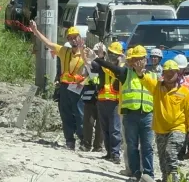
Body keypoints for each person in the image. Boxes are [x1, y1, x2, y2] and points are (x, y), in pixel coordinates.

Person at [95, 45, 155, 181]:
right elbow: (109, 67)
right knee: (132, 146)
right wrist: (99, 58)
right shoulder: (125, 74)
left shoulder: (152, 75)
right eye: (135, 59)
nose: (139, 62)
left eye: (141, 59)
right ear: (131, 61)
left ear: (146, 60)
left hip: (147, 115)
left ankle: (149, 175)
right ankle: (135, 173)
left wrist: (141, 74)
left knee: (147, 147)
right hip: (130, 116)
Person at [29, 21, 87, 150]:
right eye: (70, 38)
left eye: (75, 37)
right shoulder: (64, 51)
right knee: (65, 114)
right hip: (65, 87)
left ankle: (84, 140)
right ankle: (70, 141)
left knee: (80, 115)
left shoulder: (85, 53)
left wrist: (84, 82)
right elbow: (48, 43)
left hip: (78, 88)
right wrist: (35, 31)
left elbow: (92, 69)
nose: (73, 40)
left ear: (80, 38)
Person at [149, 60, 189, 182]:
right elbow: (145, 80)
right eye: (166, 72)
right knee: (163, 160)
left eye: (172, 72)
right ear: (163, 74)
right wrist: (139, 73)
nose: (169, 75)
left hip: (178, 128)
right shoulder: (157, 88)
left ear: (178, 74)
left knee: (170, 153)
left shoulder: (185, 92)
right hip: (160, 129)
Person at [94, 42, 123, 164]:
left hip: (115, 102)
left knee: (115, 129)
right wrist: (99, 57)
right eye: (110, 53)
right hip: (102, 100)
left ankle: (115, 154)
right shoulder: (103, 66)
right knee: (105, 128)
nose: (112, 56)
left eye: (115, 54)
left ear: (119, 56)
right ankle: (109, 153)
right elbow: (93, 66)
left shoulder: (121, 69)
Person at [80, 49, 104, 152]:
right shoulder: (87, 66)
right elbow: (84, 75)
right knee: (88, 123)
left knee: (100, 124)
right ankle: (86, 144)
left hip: (101, 98)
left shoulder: (104, 66)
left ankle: (98, 146)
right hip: (89, 98)